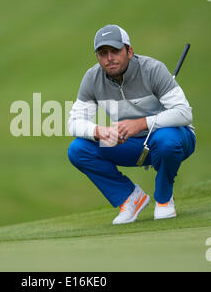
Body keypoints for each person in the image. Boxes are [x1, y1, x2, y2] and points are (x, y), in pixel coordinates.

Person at [67, 24, 196, 225]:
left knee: (166, 140)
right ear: (98, 57)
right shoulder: (92, 78)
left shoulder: (153, 69)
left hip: (174, 138)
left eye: (115, 51)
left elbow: (184, 113)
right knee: (78, 149)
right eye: (103, 53)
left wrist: (141, 123)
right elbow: (73, 123)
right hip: (131, 144)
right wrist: (99, 131)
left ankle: (163, 199)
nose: (109, 58)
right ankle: (129, 198)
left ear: (129, 51)